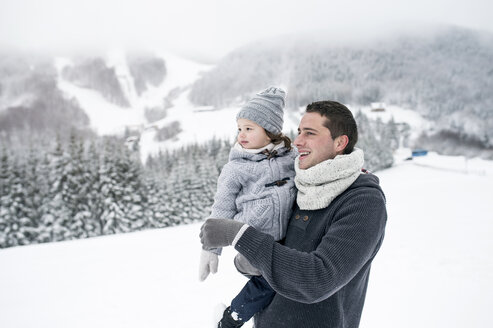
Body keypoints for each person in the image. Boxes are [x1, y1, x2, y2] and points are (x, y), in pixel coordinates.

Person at [200, 100, 387, 328]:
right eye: (299, 132)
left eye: (309, 133)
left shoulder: (362, 201)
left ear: (340, 142)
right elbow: (279, 262)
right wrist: (248, 263)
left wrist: (240, 235)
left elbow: (317, 279)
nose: (298, 141)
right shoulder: (298, 186)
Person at [198, 87, 297, 327]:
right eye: (239, 129)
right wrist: (211, 248)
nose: (241, 134)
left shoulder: (290, 157)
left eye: (249, 128)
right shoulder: (236, 168)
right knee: (272, 281)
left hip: (288, 243)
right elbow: (222, 209)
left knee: (287, 283)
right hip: (253, 246)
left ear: (270, 131)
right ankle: (229, 321)